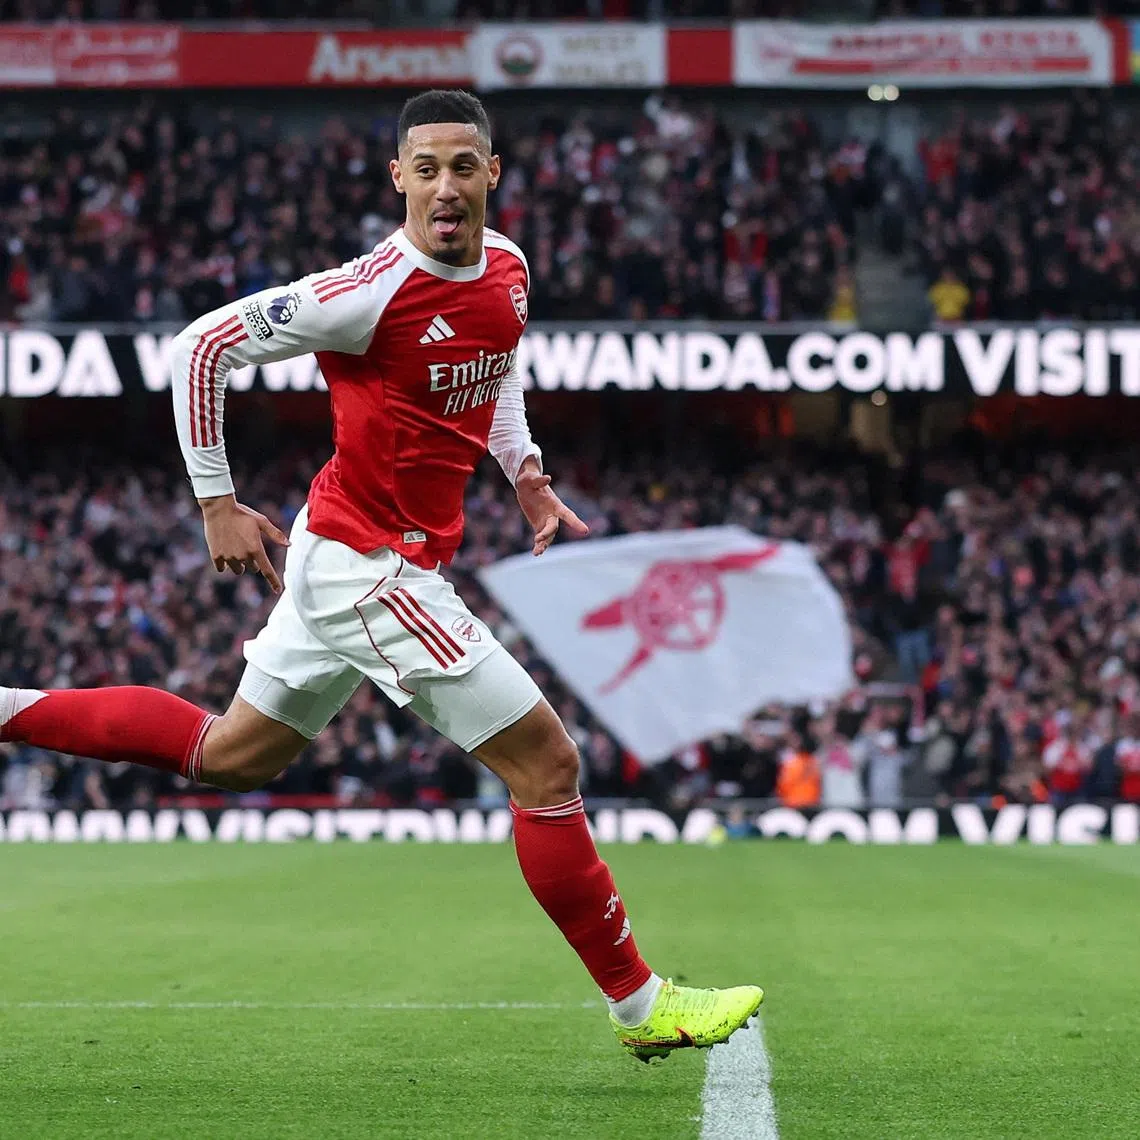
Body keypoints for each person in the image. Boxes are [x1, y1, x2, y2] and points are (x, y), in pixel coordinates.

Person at [0, 90, 761, 1061]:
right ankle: (639, 1005)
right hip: (369, 568)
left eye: (463, 166)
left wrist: (524, 473)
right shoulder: (366, 292)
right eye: (426, 168)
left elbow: (498, 367)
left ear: (493, 174)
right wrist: (215, 503)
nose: (445, 187)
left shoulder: (510, 271)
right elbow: (202, 347)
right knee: (548, 764)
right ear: (397, 177)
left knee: (232, 754)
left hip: (352, 554)